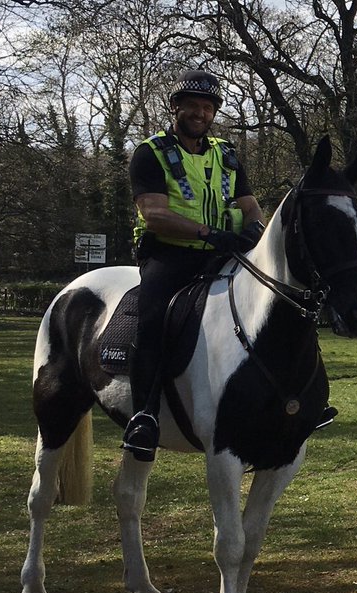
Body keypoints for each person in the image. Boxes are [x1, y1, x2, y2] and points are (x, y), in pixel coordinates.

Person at [122, 70, 266, 461]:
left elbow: (248, 204)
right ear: (176, 108)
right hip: (169, 254)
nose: (200, 113)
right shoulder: (149, 153)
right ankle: (143, 417)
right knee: (152, 320)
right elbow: (154, 213)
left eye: (207, 107)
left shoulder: (227, 154)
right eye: (192, 106)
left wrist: (256, 229)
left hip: (223, 252)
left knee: (276, 301)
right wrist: (206, 232)